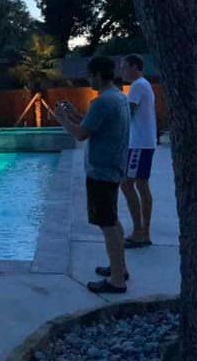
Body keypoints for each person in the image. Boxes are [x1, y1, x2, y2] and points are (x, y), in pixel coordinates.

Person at [53, 57, 131, 294]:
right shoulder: (118, 97)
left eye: (89, 75)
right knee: (113, 221)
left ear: (97, 74)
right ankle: (120, 268)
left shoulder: (102, 102)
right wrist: (76, 114)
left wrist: (62, 119)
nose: (88, 79)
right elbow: (92, 125)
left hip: (101, 171)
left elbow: (80, 134)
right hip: (113, 167)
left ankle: (117, 281)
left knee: (107, 224)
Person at [119, 54, 157, 248]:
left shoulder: (137, 86)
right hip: (145, 142)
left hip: (139, 144)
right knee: (141, 185)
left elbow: (127, 113)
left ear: (135, 67)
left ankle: (138, 232)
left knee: (126, 184)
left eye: (124, 67)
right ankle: (144, 232)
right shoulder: (145, 84)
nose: (122, 71)